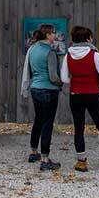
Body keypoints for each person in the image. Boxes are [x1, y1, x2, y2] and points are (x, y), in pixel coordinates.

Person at [61, 25, 99, 172]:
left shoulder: (68, 55)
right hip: (92, 94)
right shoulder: (94, 54)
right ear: (87, 38)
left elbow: (64, 79)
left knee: (79, 128)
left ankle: (81, 161)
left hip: (75, 94)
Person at [20, 24, 62, 171]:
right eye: (53, 33)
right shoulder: (50, 52)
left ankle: (33, 151)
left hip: (35, 88)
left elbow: (30, 70)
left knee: (38, 120)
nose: (55, 36)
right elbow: (53, 76)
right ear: (48, 35)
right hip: (48, 90)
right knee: (47, 124)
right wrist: (61, 82)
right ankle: (45, 158)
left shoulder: (32, 49)